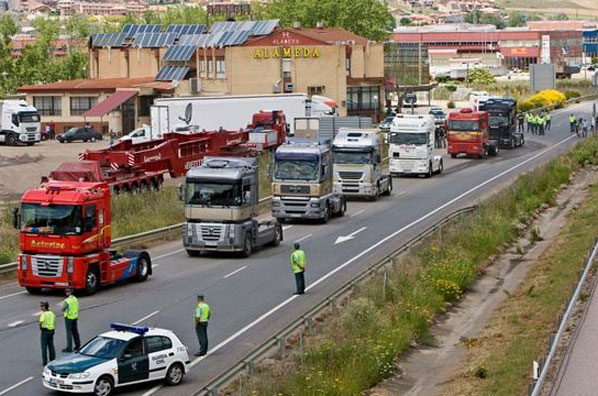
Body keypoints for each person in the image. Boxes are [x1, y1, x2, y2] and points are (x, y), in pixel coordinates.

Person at [61, 288, 80, 353]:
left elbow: (63, 308)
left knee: (69, 333)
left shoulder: (67, 300)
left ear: (69, 293)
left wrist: (63, 310)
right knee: (75, 331)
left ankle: (69, 347)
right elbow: (77, 306)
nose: (66, 293)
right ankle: (78, 345)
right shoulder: (75, 299)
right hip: (75, 316)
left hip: (68, 317)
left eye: (66, 292)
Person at [39, 301, 56, 366]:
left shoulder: (43, 314)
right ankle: (53, 359)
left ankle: (45, 361)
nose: (40, 307)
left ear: (45, 307)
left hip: (45, 331)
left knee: (44, 347)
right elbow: (53, 320)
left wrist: (41, 327)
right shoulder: (51, 313)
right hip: (51, 331)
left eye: (41, 306)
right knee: (51, 345)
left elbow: (40, 322)